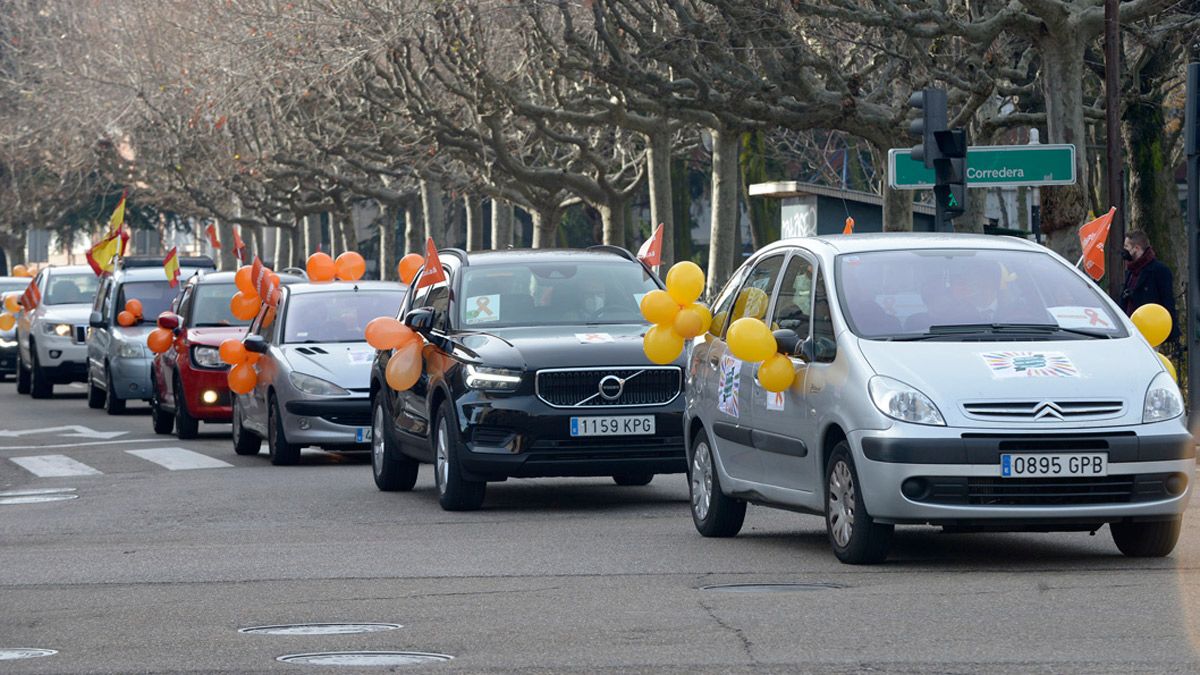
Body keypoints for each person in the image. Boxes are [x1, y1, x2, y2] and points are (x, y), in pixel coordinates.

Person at [1121, 230, 1176, 342]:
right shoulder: (1131, 271)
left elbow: (1168, 302)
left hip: (1151, 330)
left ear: (1136, 248)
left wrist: (1171, 334)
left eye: (1126, 246)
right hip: (1131, 330)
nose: (1124, 250)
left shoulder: (1159, 271)